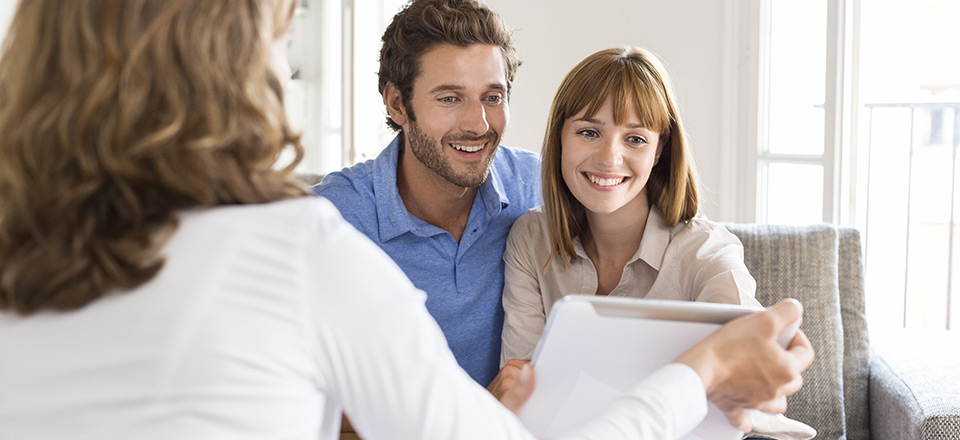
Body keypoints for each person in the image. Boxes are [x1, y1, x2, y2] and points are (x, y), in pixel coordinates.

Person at [0, 0, 814, 438]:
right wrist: (702, 370)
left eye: (492, 96)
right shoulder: (309, 242)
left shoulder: (541, 195)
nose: (478, 122)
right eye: (278, 39)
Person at [313, 0, 541, 389]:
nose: (478, 124)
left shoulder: (538, 187)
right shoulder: (330, 217)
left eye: (493, 97)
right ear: (397, 104)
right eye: (450, 98)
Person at [500, 46, 761, 364]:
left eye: (635, 138)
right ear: (560, 137)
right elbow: (520, 387)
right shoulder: (531, 238)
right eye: (588, 132)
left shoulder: (704, 250)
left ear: (659, 149)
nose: (609, 158)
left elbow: (753, 362)